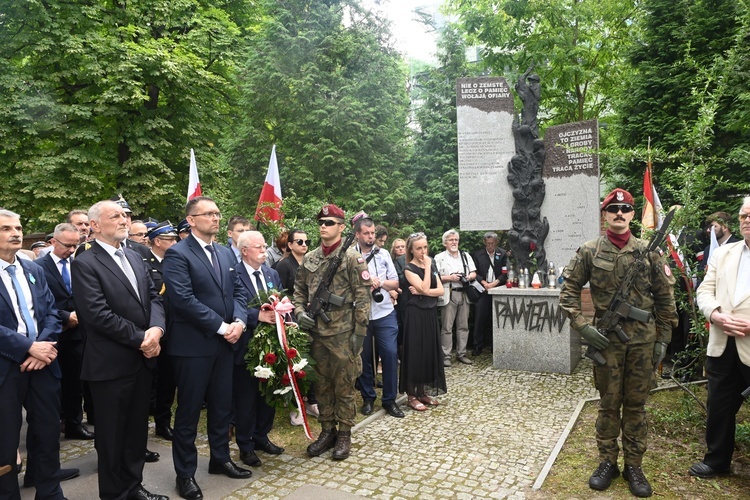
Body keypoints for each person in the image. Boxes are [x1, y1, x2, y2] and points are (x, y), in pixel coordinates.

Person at [559, 188, 677, 498]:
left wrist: (662, 341)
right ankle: (607, 462)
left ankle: (634, 466)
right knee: (608, 406)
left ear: (633, 215)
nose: (620, 214)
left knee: (636, 407)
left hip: (642, 344)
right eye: (614, 209)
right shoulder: (589, 251)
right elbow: (568, 292)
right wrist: (583, 327)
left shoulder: (649, 251)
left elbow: (666, 301)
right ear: (605, 214)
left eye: (625, 209)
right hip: (607, 343)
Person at [72, 200, 167, 500]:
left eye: (125, 215)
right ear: (96, 225)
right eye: (116, 216)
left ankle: (133, 486)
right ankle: (114, 493)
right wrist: (142, 338)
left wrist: (157, 330)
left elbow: (154, 297)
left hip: (142, 360)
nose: (125, 220)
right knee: (112, 437)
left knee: (136, 432)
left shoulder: (136, 256)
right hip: (110, 366)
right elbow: (97, 315)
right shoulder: (85, 263)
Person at [162, 196, 251, 500]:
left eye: (217, 213)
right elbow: (183, 300)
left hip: (225, 344)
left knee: (222, 405)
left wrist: (239, 320)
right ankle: (185, 474)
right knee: (188, 411)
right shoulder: (177, 254)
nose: (215, 218)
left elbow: (239, 291)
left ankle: (220, 458)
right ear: (191, 220)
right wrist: (222, 326)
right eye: (209, 213)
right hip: (193, 347)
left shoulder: (226, 253)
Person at [293, 204, 371, 461]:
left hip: (343, 333)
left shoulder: (352, 258)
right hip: (317, 333)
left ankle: (345, 432)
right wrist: (299, 312)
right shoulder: (311, 257)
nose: (323, 226)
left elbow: (363, 298)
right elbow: (299, 291)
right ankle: (327, 430)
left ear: (340, 227)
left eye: (329, 222)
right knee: (322, 385)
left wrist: (358, 334)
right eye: (321, 222)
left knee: (344, 385)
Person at [0, 209, 66, 500]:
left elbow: (51, 313)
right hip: (6, 367)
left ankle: (50, 493)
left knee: (48, 434)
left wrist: (42, 348)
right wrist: (27, 347)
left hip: (43, 365)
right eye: (5, 228)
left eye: (18, 227)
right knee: (5, 440)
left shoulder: (34, 269)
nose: (15, 233)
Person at [689, 197, 750, 479]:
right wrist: (714, 314)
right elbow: (704, 290)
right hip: (722, 341)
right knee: (720, 405)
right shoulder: (723, 254)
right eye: (743, 215)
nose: (746, 220)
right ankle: (716, 460)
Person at [232, 231, 285, 467]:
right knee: (246, 397)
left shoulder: (271, 273)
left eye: (265, 246)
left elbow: (282, 300)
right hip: (246, 345)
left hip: (272, 344)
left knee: (269, 394)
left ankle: (261, 435)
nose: (264, 250)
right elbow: (231, 305)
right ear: (244, 251)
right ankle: (245, 444)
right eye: (259, 247)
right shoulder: (233, 274)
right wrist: (257, 316)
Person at [38, 224, 95, 441]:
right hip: (52, 334)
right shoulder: (39, 267)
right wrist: (65, 317)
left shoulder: (79, 264)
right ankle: (52, 426)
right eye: (67, 245)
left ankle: (74, 424)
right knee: (52, 385)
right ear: (53, 242)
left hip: (78, 334)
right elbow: (40, 301)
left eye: (75, 245)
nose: (72, 250)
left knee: (75, 383)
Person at [353, 217, 404, 418]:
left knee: (390, 354)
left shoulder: (383, 254)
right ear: (357, 234)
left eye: (373, 233)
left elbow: (395, 282)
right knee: (364, 357)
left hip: (384, 312)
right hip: (360, 313)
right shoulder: (349, 255)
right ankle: (368, 397)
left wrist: (379, 282)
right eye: (366, 233)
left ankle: (390, 400)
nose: (371, 236)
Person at [274, 229, 320, 426]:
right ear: (289, 245)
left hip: (313, 319)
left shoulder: (312, 263)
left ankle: (312, 401)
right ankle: (295, 405)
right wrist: (299, 305)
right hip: (292, 319)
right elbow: (279, 294)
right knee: (296, 362)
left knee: (313, 360)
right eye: (299, 241)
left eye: (306, 241)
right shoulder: (283, 266)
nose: (303, 244)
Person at [400, 232, 446, 411]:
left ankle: (422, 391)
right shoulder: (409, 269)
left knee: (428, 351)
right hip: (415, 315)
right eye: (419, 248)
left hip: (430, 313)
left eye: (425, 247)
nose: (423, 251)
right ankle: (411, 395)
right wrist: (427, 269)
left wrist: (422, 292)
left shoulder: (431, 263)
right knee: (415, 353)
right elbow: (427, 286)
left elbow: (440, 290)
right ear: (411, 249)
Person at [145, 221, 180, 441]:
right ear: (158, 241)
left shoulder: (174, 262)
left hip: (173, 330)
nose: (175, 243)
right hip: (152, 330)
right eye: (171, 240)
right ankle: (143, 425)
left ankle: (163, 422)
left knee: (168, 380)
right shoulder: (144, 263)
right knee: (150, 381)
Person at [435, 229, 476, 366]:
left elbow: (474, 273)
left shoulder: (465, 255)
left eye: (456, 240)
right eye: (451, 240)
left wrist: (468, 277)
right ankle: (446, 355)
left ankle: (462, 353)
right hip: (449, 292)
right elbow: (435, 277)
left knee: (463, 326)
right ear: (445, 243)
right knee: (447, 327)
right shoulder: (439, 257)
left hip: (464, 292)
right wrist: (450, 277)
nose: (454, 242)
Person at [471, 232, 508, 356]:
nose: (490, 246)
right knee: (480, 318)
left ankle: (494, 345)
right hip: (482, 290)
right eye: (488, 244)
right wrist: (484, 283)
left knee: (496, 318)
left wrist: (495, 283)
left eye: (492, 243)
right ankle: (477, 346)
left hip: (497, 289)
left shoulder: (502, 254)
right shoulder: (478, 254)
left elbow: (505, 273)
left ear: (496, 242)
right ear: (484, 243)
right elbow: (474, 272)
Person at [697, 211, 740, 276]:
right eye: (708, 228)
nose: (708, 230)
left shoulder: (738, 247)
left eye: (713, 227)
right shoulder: (708, 249)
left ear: (725, 227)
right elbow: (701, 275)